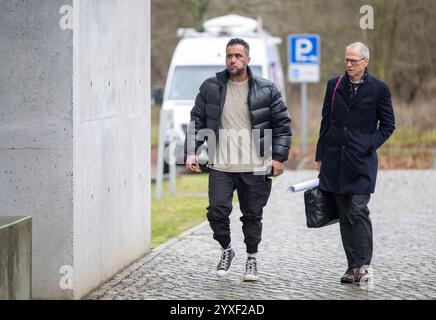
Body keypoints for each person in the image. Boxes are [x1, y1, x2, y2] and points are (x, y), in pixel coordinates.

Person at [185, 38, 292, 281]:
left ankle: (252, 258)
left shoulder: (267, 89)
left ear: (248, 59)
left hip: (256, 165)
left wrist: (278, 157)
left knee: (252, 215)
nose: (233, 60)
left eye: (238, 56)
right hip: (221, 164)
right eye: (229, 55)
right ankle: (226, 250)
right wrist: (192, 150)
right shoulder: (210, 87)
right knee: (216, 212)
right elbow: (197, 121)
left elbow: (283, 126)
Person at [315, 42, 395, 284]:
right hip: (335, 160)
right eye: (346, 60)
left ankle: (364, 264)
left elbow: (388, 126)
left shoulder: (379, 89)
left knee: (357, 210)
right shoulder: (334, 84)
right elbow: (326, 121)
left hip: (361, 162)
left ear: (365, 62)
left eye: (354, 61)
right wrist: (320, 155)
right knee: (344, 215)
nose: (349, 64)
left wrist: (367, 145)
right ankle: (352, 267)